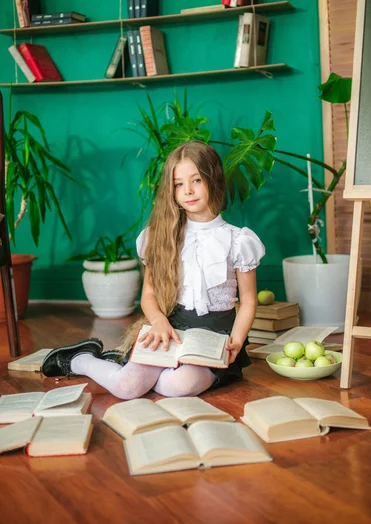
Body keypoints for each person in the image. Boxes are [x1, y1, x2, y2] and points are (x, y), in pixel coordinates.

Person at [42, 142, 265, 399]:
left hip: (216, 338)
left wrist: (236, 340)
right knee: (127, 389)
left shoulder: (238, 241)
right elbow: (148, 294)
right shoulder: (158, 237)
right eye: (179, 184)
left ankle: (129, 364)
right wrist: (159, 321)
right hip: (170, 329)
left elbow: (248, 301)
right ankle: (80, 360)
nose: (188, 191)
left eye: (196, 180)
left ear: (213, 179)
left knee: (177, 386)